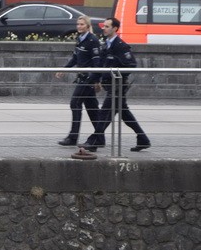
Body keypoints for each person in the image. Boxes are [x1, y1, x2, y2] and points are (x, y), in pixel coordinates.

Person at [83, 17, 151, 153]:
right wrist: (94, 80)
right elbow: (101, 66)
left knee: (104, 113)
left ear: (115, 29)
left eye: (107, 26)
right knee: (124, 113)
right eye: (104, 26)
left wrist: (116, 72)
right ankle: (143, 139)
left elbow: (131, 65)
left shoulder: (121, 46)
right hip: (109, 85)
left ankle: (94, 140)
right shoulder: (106, 45)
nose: (104, 28)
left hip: (118, 86)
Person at [55, 15, 102, 146]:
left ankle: (73, 137)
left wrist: (95, 80)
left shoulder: (92, 40)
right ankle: (100, 138)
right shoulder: (80, 39)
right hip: (82, 77)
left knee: (75, 103)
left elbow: (97, 63)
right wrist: (64, 69)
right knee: (92, 110)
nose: (79, 26)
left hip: (88, 79)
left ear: (87, 26)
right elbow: (75, 58)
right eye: (78, 24)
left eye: (82, 24)